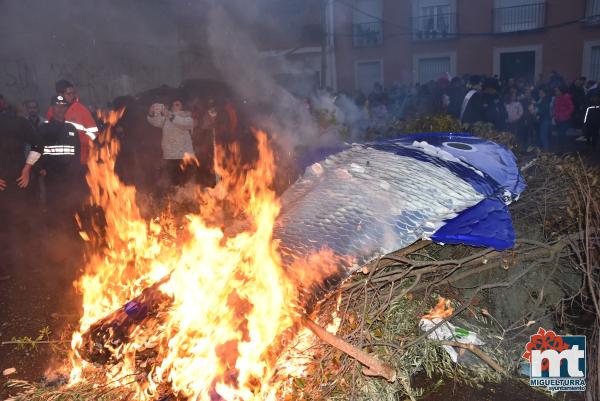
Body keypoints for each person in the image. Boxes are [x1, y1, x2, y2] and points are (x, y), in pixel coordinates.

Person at [0, 94, 43, 276]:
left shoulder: (18, 123)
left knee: (20, 221)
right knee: (9, 225)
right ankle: (12, 266)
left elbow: (38, 145)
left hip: (18, 180)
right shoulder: (19, 121)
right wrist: (27, 169)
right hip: (13, 180)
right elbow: (38, 145)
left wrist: (26, 169)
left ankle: (24, 264)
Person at [37, 95, 86, 229]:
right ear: (52, 108)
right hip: (52, 177)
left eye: (63, 106)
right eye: (57, 106)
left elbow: (77, 153)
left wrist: (76, 172)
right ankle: (56, 238)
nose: (61, 109)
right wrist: (41, 169)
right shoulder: (43, 129)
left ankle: (72, 236)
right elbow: (36, 151)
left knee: (72, 208)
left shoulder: (71, 129)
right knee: (55, 209)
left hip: (70, 177)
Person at [147, 98, 196, 190]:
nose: (174, 106)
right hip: (169, 157)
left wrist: (168, 114)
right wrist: (152, 112)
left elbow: (181, 123)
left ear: (183, 107)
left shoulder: (187, 118)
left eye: (177, 104)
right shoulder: (166, 119)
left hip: (184, 157)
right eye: (173, 104)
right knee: (172, 186)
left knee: (185, 186)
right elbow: (155, 122)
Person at [47, 80, 98, 165]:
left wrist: (78, 142)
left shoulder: (81, 109)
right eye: (69, 94)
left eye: (73, 93)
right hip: (58, 162)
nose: (72, 96)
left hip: (81, 160)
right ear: (60, 95)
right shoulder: (52, 110)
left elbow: (94, 132)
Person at [553, 85, 575, 151]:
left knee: (562, 134)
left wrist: (564, 114)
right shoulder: (557, 98)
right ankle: (560, 149)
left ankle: (563, 149)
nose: (555, 92)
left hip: (565, 120)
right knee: (559, 134)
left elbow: (571, 108)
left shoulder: (566, 97)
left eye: (557, 91)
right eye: (555, 91)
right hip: (558, 119)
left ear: (561, 91)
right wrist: (555, 115)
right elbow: (556, 108)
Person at [536, 86, 553, 150]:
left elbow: (543, 110)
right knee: (542, 136)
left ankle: (546, 152)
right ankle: (541, 152)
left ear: (544, 93)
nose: (539, 93)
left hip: (545, 120)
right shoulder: (542, 99)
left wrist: (537, 112)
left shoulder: (545, 100)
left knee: (543, 137)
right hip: (543, 120)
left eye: (540, 92)